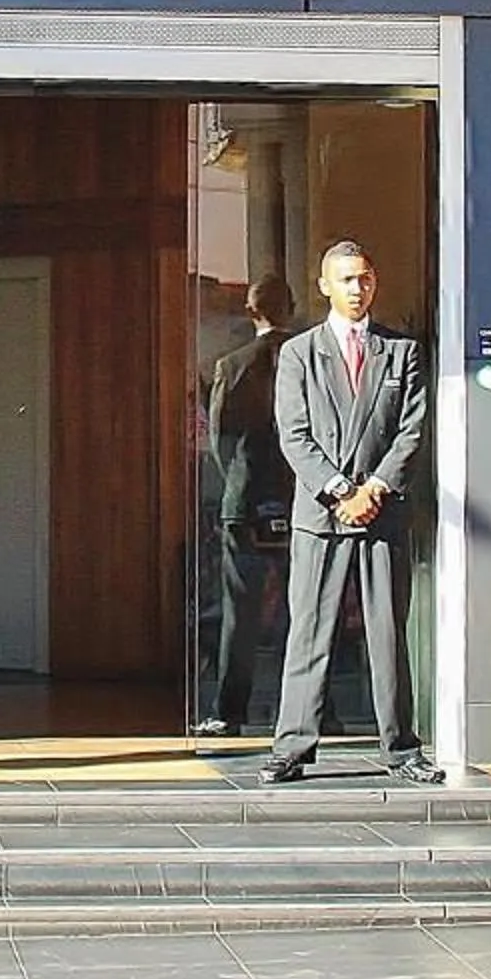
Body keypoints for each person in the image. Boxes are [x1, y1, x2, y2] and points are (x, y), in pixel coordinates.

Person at [263, 239, 440, 786]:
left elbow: (412, 430)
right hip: (321, 516)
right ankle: (292, 748)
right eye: (346, 279)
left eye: (364, 278)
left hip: (382, 514)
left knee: (387, 633)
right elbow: (294, 435)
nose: (357, 288)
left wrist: (375, 489)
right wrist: (341, 491)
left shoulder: (402, 352)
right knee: (309, 631)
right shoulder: (299, 353)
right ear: (325, 286)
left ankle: (402, 748)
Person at [195, 275, 297, 737]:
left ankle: (230, 711)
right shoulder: (310, 358)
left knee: (241, 611)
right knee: (307, 611)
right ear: (291, 308)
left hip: (247, 497)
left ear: (251, 311)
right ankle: (314, 709)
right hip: (302, 498)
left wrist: (237, 479)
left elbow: (221, 439)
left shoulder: (233, 365)